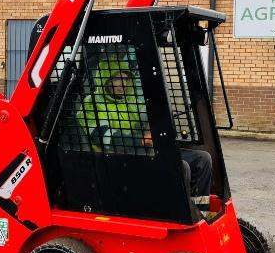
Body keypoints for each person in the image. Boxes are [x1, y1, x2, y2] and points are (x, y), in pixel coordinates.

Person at [76, 59, 212, 209]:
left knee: (202, 159)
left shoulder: (129, 101)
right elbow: (104, 137)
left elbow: (147, 116)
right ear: (105, 79)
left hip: (141, 153)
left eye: (125, 79)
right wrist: (141, 140)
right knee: (180, 166)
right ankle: (180, 212)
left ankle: (200, 213)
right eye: (117, 79)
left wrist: (156, 122)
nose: (123, 84)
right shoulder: (92, 104)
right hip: (113, 160)